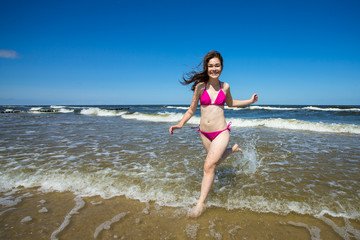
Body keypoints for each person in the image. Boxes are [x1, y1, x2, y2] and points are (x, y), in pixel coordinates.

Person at [169, 51, 258, 218]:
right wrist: (180, 124)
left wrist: (249, 101)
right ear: (206, 68)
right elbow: (191, 110)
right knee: (214, 164)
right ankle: (232, 150)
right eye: (210, 66)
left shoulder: (225, 87)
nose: (214, 69)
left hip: (221, 132)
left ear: (222, 67)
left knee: (208, 166)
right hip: (204, 133)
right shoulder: (200, 87)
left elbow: (231, 103)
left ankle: (200, 204)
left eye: (217, 65)